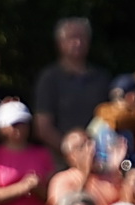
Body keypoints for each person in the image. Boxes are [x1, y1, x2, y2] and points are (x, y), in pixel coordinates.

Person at [32, 17, 111, 151]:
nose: (78, 42)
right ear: (60, 43)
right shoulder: (49, 79)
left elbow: (110, 118)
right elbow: (43, 127)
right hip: (60, 154)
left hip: (99, 154)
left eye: (82, 37)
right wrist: (71, 151)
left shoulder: (101, 78)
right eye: (72, 38)